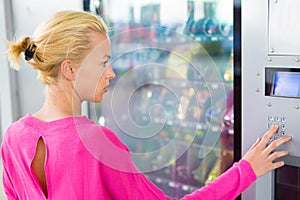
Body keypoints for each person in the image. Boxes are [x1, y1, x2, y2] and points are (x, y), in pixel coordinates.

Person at [1, 10, 291, 200]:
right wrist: (248, 169)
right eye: (103, 62)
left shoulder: (14, 137)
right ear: (69, 69)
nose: (112, 72)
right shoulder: (95, 143)